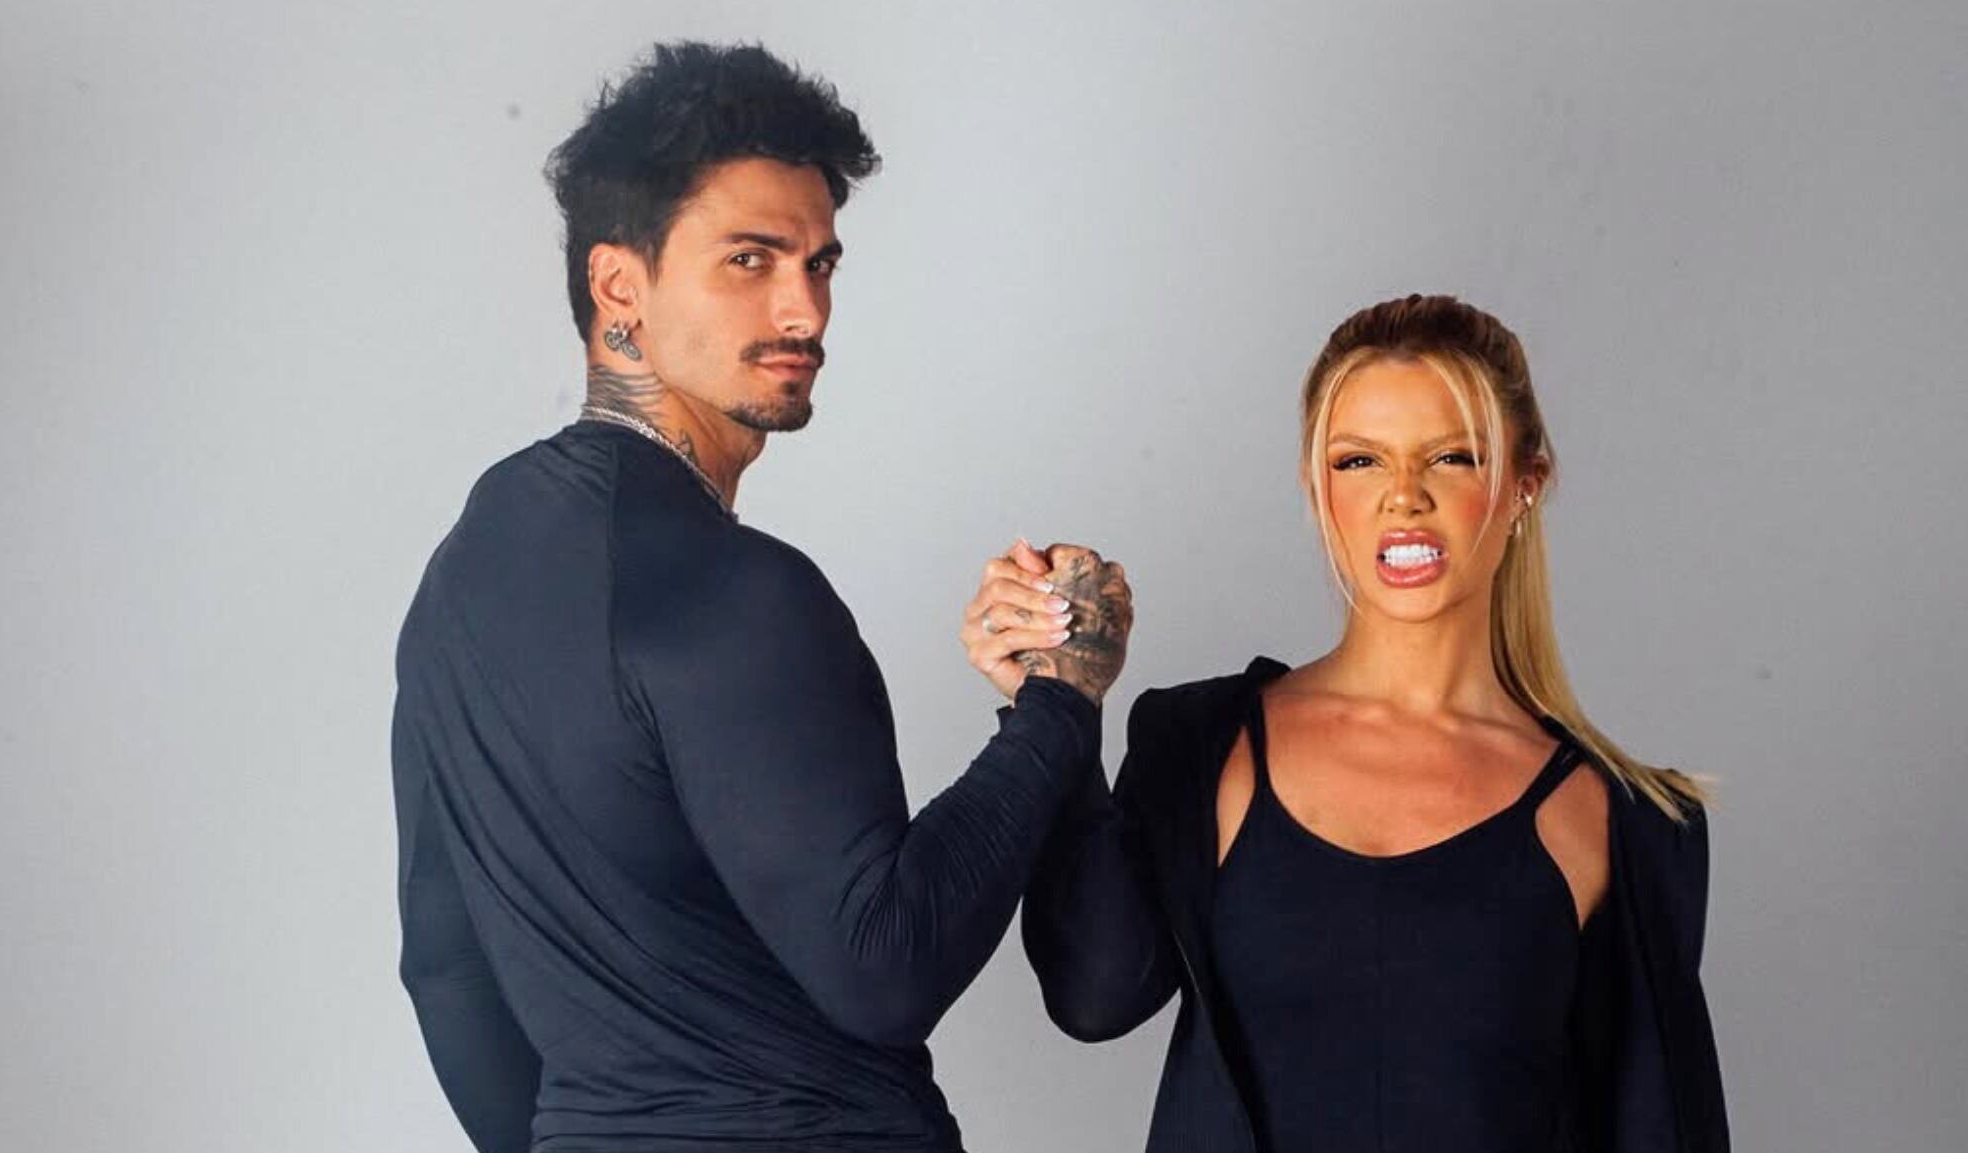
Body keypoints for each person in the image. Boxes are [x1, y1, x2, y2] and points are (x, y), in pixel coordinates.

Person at [391, 42, 1133, 1153]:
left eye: (819, 264)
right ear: (619, 286)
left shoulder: (462, 573)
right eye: (750, 260)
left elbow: (446, 967)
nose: (805, 312)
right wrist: (1059, 703)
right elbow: (884, 970)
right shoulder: (742, 590)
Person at [972, 294, 1728, 1152]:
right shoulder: (1201, 743)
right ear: (1317, 487)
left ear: (1526, 484)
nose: (1403, 497)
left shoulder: (1620, 820)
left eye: (1452, 456)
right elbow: (1093, 995)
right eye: (1360, 460)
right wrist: (1058, 707)